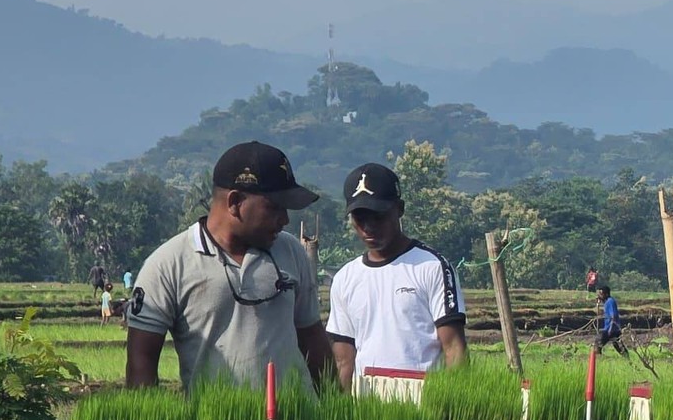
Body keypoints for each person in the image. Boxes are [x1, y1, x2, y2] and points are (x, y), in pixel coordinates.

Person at [127, 141, 330, 389]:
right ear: (234, 202)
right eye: (273, 207)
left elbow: (313, 341)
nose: (284, 220)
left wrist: (339, 414)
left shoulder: (291, 252)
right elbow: (141, 364)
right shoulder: (168, 265)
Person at [324, 162, 468, 389]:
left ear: (399, 209)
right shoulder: (345, 278)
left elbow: (453, 348)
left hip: (425, 403)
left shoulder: (431, 266)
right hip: (369, 409)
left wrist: (454, 409)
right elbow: (343, 360)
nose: (368, 227)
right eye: (360, 218)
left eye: (378, 216)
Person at [595, 285, 622, 350]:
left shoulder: (610, 302)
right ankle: (627, 358)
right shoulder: (607, 302)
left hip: (611, 329)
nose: (600, 296)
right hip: (612, 329)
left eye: (601, 294)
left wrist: (610, 329)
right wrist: (598, 303)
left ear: (606, 294)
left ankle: (596, 358)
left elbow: (614, 316)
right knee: (618, 346)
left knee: (597, 344)